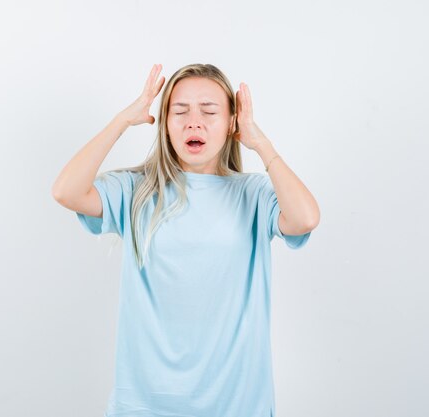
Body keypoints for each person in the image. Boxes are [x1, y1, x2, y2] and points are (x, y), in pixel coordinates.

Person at [52, 63, 320, 417]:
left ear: (231, 124)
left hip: (238, 406)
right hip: (145, 406)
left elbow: (305, 218)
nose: (194, 122)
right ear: (164, 124)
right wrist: (121, 121)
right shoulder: (136, 191)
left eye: (209, 111)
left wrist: (261, 143)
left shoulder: (253, 194)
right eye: (179, 111)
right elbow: (66, 191)